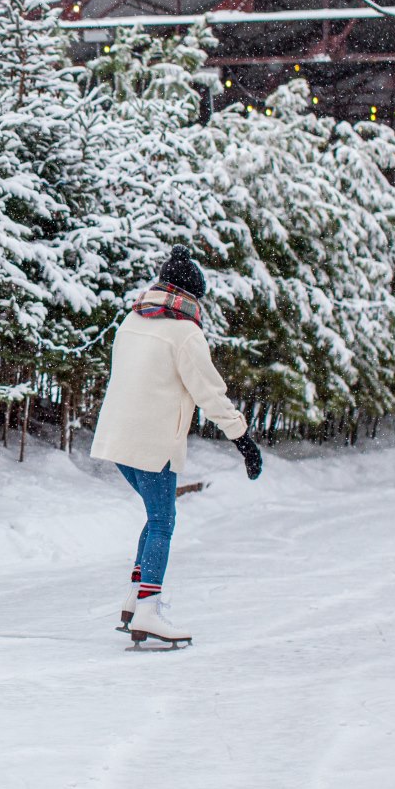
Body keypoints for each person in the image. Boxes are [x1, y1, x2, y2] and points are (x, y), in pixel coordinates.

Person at [91, 245, 262, 649]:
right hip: (153, 443)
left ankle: (135, 600)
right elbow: (211, 393)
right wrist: (244, 439)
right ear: (190, 297)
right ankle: (148, 608)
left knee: (155, 518)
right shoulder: (185, 333)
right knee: (164, 521)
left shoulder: (133, 319)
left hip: (118, 439)